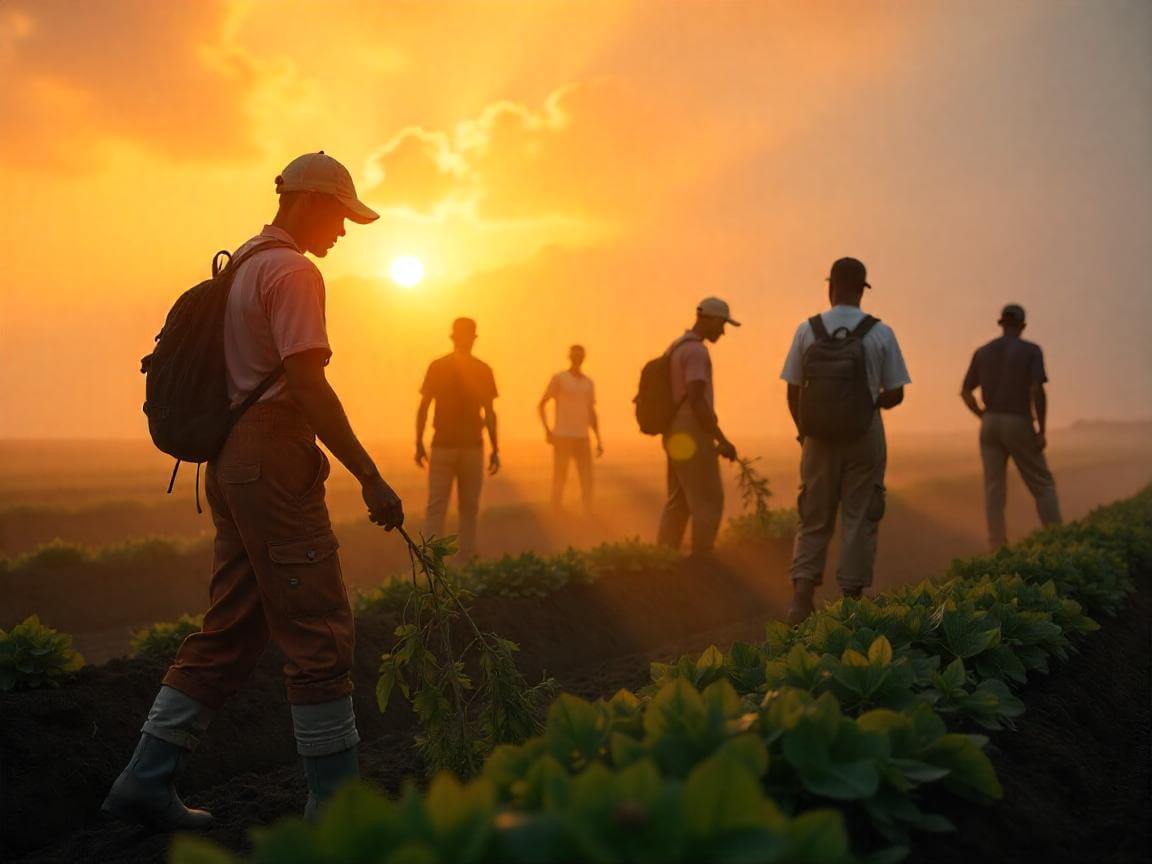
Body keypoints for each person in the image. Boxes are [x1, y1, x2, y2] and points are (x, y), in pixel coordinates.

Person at [101, 152, 405, 830]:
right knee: (318, 626)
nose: (345, 232)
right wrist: (370, 476)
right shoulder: (295, 271)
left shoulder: (242, 263)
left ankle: (144, 781)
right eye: (341, 216)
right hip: (272, 453)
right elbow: (309, 386)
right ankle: (337, 808)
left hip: (234, 461)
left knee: (233, 627)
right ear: (308, 202)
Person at [779, 257, 910, 624]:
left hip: (817, 437)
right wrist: (867, 404)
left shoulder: (807, 330)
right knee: (859, 514)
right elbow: (896, 393)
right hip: (864, 435)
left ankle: (801, 599)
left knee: (813, 516)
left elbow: (792, 390)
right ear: (862, 290)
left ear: (830, 285)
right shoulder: (881, 333)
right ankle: (850, 602)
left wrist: (806, 431)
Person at [961, 303, 1062, 550]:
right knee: (1042, 483)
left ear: (1001, 323)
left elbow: (965, 391)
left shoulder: (983, 351)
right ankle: (1057, 539)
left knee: (994, 488)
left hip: (990, 423)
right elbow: (1037, 389)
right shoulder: (1031, 351)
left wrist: (981, 415)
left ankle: (997, 545)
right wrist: (1041, 430)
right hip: (1018, 419)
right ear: (1023, 325)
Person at [656, 297, 740, 555]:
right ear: (711, 319)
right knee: (708, 500)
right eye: (722, 324)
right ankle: (702, 559)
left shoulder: (676, 346)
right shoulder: (696, 351)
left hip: (674, 431)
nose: (723, 332)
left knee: (679, 500)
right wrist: (721, 439)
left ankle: (663, 557)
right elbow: (697, 400)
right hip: (690, 429)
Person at [415, 317, 500, 559]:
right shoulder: (482, 369)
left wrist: (419, 443)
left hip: (450, 445)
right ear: (473, 338)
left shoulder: (439, 366)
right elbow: (490, 413)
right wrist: (495, 448)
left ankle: (435, 562)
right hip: (464, 446)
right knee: (465, 508)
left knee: (440, 507)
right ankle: (462, 559)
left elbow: (424, 407)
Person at [538, 345, 603, 513]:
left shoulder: (588, 383)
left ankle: (588, 514)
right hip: (562, 436)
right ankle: (556, 513)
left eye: (580, 355)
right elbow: (542, 404)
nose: (577, 358)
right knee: (560, 478)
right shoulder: (559, 379)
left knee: (587, 479)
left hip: (582, 436)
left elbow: (591, 411)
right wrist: (547, 430)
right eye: (575, 355)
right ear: (570, 357)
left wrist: (598, 439)